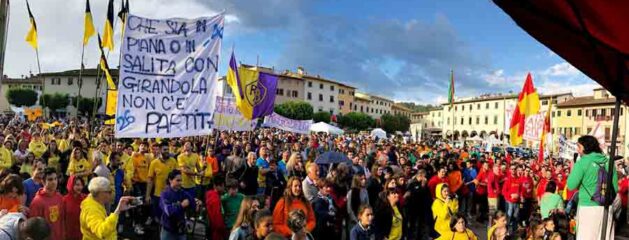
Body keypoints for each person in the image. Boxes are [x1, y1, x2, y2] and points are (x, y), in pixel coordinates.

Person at [566, 135, 618, 240]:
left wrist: (574, 167)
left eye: (579, 147)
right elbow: (615, 188)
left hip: (588, 207)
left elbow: (571, 185)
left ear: (586, 148)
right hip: (607, 207)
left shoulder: (582, 162)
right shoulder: (608, 162)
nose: (578, 150)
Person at [159, 169, 199, 240]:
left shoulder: (182, 192)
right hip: (168, 231)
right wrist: (181, 205)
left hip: (180, 230)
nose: (180, 183)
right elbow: (169, 211)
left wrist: (197, 203)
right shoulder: (164, 194)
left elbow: (193, 203)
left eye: (181, 180)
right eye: (178, 180)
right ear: (170, 180)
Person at [28, 167, 64, 240]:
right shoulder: (37, 202)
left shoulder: (59, 197)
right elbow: (34, 228)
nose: (54, 182)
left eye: (55, 179)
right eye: (50, 179)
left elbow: (62, 221)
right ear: (43, 182)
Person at [145, 142, 177, 223]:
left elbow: (177, 176)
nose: (167, 151)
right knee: (158, 215)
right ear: (159, 150)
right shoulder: (154, 163)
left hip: (171, 193)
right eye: (165, 149)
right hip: (158, 195)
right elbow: (150, 180)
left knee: (169, 215)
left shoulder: (173, 161)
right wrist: (148, 195)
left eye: (168, 149)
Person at [406, 168, 432, 240]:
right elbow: (414, 194)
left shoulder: (424, 184)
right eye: (424, 176)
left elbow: (427, 195)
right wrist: (422, 186)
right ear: (420, 175)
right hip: (414, 209)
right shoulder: (412, 183)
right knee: (414, 225)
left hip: (422, 209)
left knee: (421, 225)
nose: (425, 178)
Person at [62, 175, 86, 240]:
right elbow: (62, 219)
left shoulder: (85, 199)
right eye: (77, 185)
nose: (80, 187)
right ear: (71, 185)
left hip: (83, 234)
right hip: (69, 234)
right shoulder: (64, 200)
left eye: (81, 185)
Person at [206, 173, 227, 240]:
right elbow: (218, 222)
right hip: (216, 234)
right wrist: (224, 232)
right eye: (223, 186)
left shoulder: (209, 194)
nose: (224, 188)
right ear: (216, 186)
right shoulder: (215, 200)